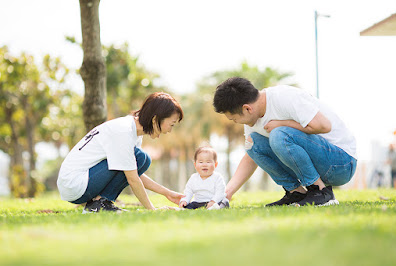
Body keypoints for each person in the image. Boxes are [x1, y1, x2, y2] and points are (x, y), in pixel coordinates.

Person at [213, 77, 357, 206]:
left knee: (278, 134)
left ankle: (321, 192)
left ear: (247, 108)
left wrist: (283, 124)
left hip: (341, 163)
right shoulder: (252, 117)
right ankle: (296, 193)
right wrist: (227, 193)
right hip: (320, 163)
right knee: (253, 143)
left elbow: (324, 126)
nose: (236, 122)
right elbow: (251, 156)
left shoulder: (283, 97)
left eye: (234, 119)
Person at [57, 92, 185, 213]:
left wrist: (167, 193)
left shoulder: (132, 131)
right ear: (155, 119)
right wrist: (152, 210)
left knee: (142, 160)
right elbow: (132, 178)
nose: (169, 131)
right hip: (75, 183)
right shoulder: (123, 132)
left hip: (78, 183)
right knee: (141, 157)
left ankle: (100, 204)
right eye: (172, 124)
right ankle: (99, 204)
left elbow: (133, 172)